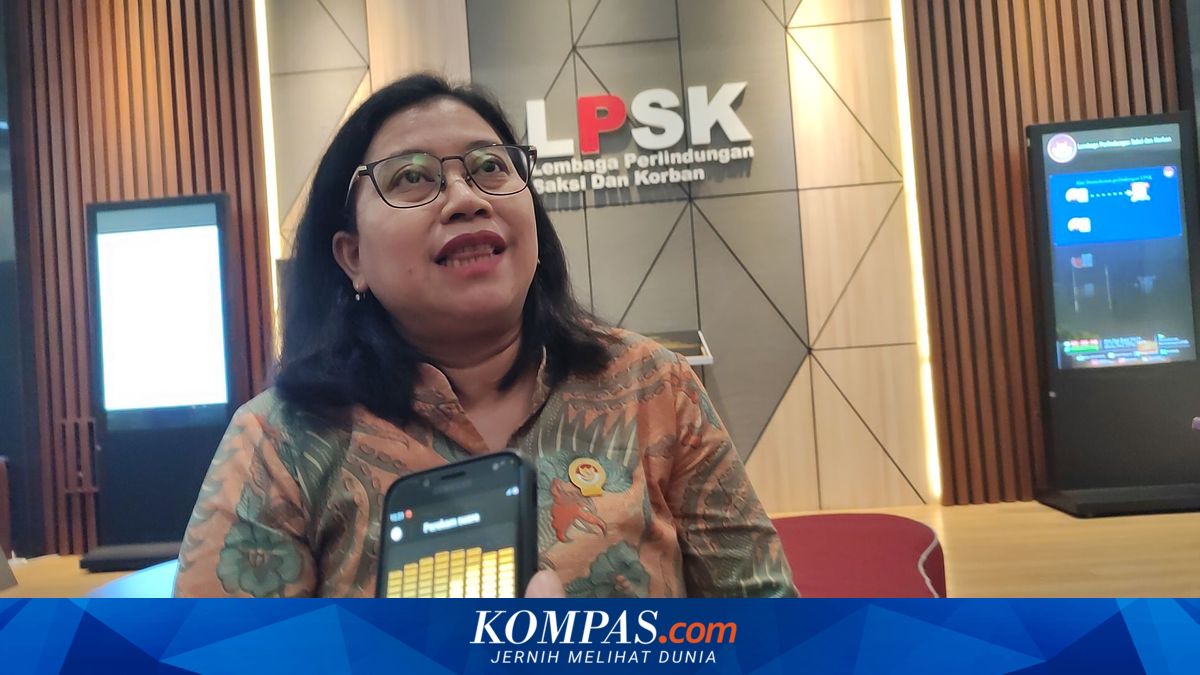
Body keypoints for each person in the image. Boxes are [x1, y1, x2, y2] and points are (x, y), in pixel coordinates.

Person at [173, 73, 798, 598]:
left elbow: (774, 630)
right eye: (411, 177)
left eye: (490, 166)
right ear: (352, 256)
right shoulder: (278, 439)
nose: (465, 198)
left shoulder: (654, 387)